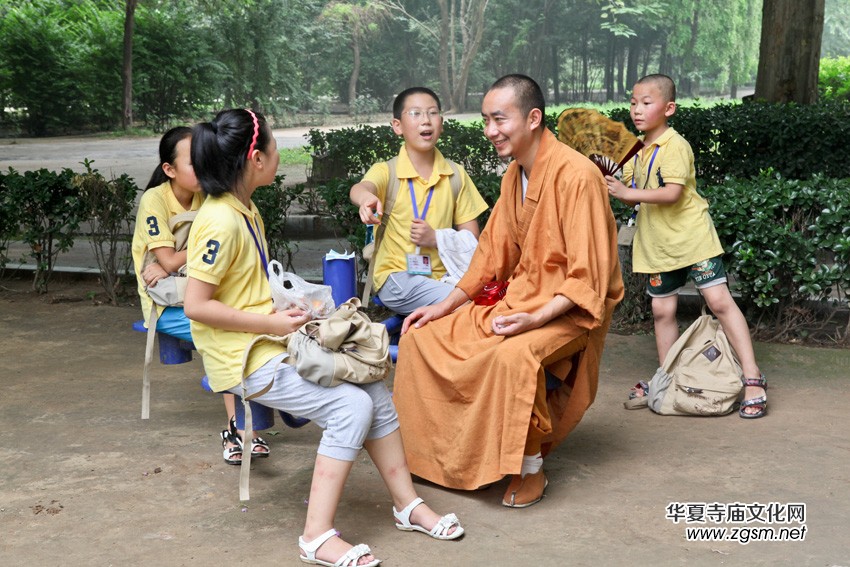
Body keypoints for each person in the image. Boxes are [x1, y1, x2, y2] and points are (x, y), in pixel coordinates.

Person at [183, 109, 464, 566]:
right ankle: (315, 537)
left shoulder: (244, 209)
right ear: (256, 158)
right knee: (350, 407)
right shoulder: (219, 221)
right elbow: (196, 305)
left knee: (372, 385)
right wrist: (272, 323)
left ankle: (407, 505)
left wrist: (288, 309)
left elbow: (242, 290)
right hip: (245, 358)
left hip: (272, 342)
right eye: (274, 145)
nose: (278, 153)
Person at [393, 75, 624, 508]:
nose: (490, 131)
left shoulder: (578, 176)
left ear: (533, 118)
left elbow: (588, 278)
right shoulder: (514, 176)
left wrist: (535, 318)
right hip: (519, 300)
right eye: (486, 120)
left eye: (499, 119)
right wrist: (443, 307)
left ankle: (530, 468)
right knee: (421, 338)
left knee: (512, 357)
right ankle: (441, 457)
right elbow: (489, 256)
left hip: (569, 311)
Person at [605, 73, 767, 419]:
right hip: (658, 245)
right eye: (633, 103)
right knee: (662, 312)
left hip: (693, 239)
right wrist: (612, 185)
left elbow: (672, 193)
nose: (636, 110)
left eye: (646, 103)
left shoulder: (675, 145)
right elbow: (632, 194)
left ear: (669, 108)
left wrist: (628, 192)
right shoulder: (636, 149)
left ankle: (753, 378)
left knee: (719, 302)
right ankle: (670, 380)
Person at [131, 126, 270, 466]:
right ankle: (238, 429)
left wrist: (181, 258)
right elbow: (166, 262)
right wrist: (194, 252)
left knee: (238, 329)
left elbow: (180, 261)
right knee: (225, 335)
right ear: (169, 169)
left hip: (199, 292)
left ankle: (246, 425)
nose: (203, 166)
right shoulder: (154, 200)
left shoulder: (209, 196)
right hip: (166, 305)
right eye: (193, 162)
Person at [349, 87, 489, 315]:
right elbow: (360, 188)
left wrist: (436, 238)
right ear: (397, 126)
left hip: (445, 277)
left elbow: (471, 239)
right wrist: (366, 199)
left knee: (489, 298)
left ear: (441, 123)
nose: (426, 120)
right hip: (397, 276)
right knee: (466, 304)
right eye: (415, 113)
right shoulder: (387, 171)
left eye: (432, 113)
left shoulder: (456, 174)